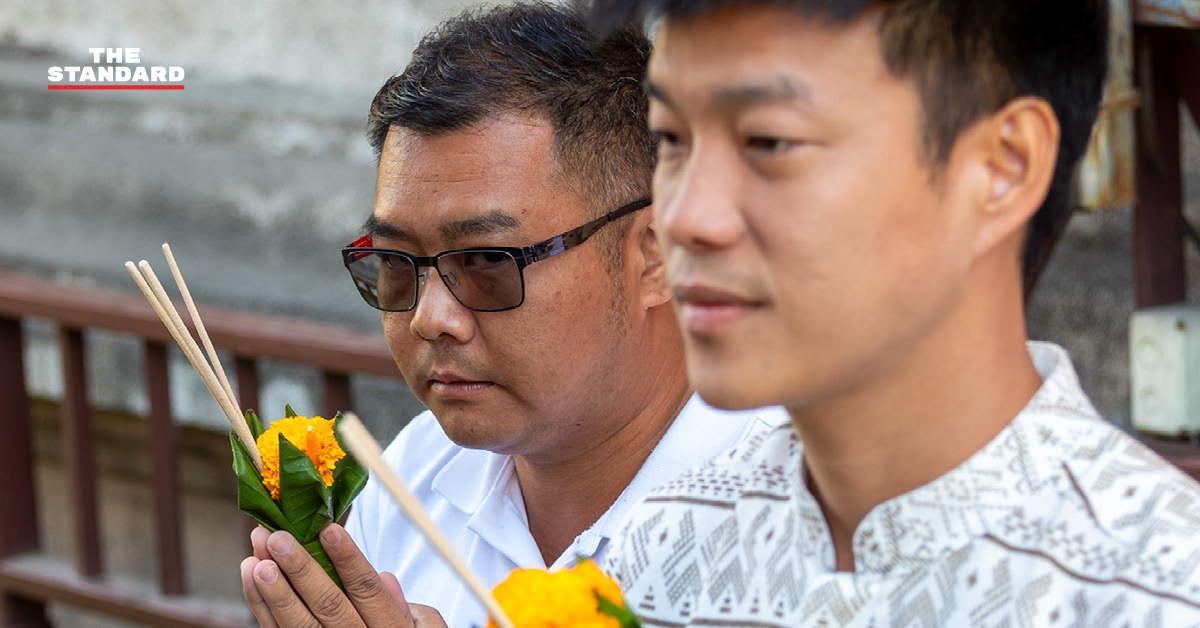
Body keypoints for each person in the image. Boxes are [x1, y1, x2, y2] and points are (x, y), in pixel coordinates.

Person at [588, 0, 1200, 625]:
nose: (685, 218)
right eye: (670, 138)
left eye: (769, 141)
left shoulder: (1159, 590)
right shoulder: (660, 555)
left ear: (1003, 166)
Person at [238, 3, 783, 627]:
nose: (430, 318)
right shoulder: (418, 473)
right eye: (395, 261)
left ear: (658, 258)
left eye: (488, 262)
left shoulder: (802, 522)